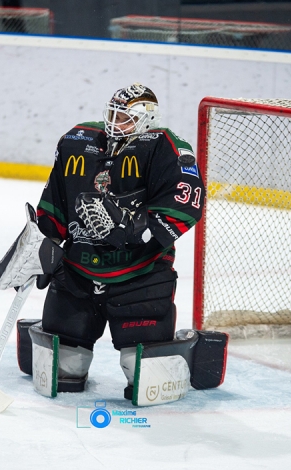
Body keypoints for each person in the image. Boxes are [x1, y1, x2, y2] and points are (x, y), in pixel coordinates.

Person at [28, 82, 208, 402]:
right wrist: (45, 241)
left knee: (143, 373)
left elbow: (186, 201)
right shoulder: (78, 140)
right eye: (112, 114)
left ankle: (185, 351)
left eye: (124, 117)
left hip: (140, 273)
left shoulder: (165, 146)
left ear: (146, 119)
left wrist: (139, 230)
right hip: (79, 270)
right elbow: (56, 197)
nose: (115, 122)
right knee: (65, 367)